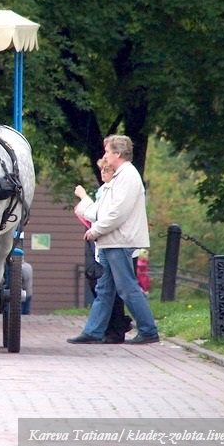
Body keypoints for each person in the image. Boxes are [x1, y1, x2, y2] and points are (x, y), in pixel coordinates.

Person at [67, 134, 159, 345]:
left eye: (108, 151)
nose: (104, 155)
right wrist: (85, 204)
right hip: (111, 241)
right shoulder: (117, 177)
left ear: (118, 153)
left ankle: (148, 330)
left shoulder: (128, 176)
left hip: (120, 241)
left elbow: (117, 213)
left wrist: (96, 231)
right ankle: (93, 331)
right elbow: (101, 210)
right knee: (104, 289)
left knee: (127, 288)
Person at [73, 158, 133, 343]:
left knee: (119, 288)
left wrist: (83, 198)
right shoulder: (105, 190)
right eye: (102, 171)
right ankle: (103, 329)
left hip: (113, 243)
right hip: (105, 243)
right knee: (105, 288)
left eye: (106, 170)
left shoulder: (114, 190)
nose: (103, 174)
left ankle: (128, 327)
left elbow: (98, 214)